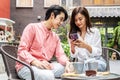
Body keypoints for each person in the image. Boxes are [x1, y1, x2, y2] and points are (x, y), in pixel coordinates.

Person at [15, 5, 70, 80]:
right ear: (52, 15)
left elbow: (60, 55)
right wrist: (36, 62)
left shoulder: (55, 37)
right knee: (48, 75)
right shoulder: (32, 28)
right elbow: (22, 50)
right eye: (60, 19)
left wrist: (67, 63)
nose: (61, 23)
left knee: (67, 69)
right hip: (27, 66)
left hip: (44, 67)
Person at [68, 7, 106, 72]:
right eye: (75, 20)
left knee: (100, 65)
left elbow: (98, 52)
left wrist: (86, 46)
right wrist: (72, 47)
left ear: (86, 18)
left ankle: (84, 70)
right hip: (81, 63)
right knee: (79, 67)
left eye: (80, 19)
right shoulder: (72, 34)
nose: (78, 22)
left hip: (95, 61)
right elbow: (74, 55)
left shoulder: (95, 32)